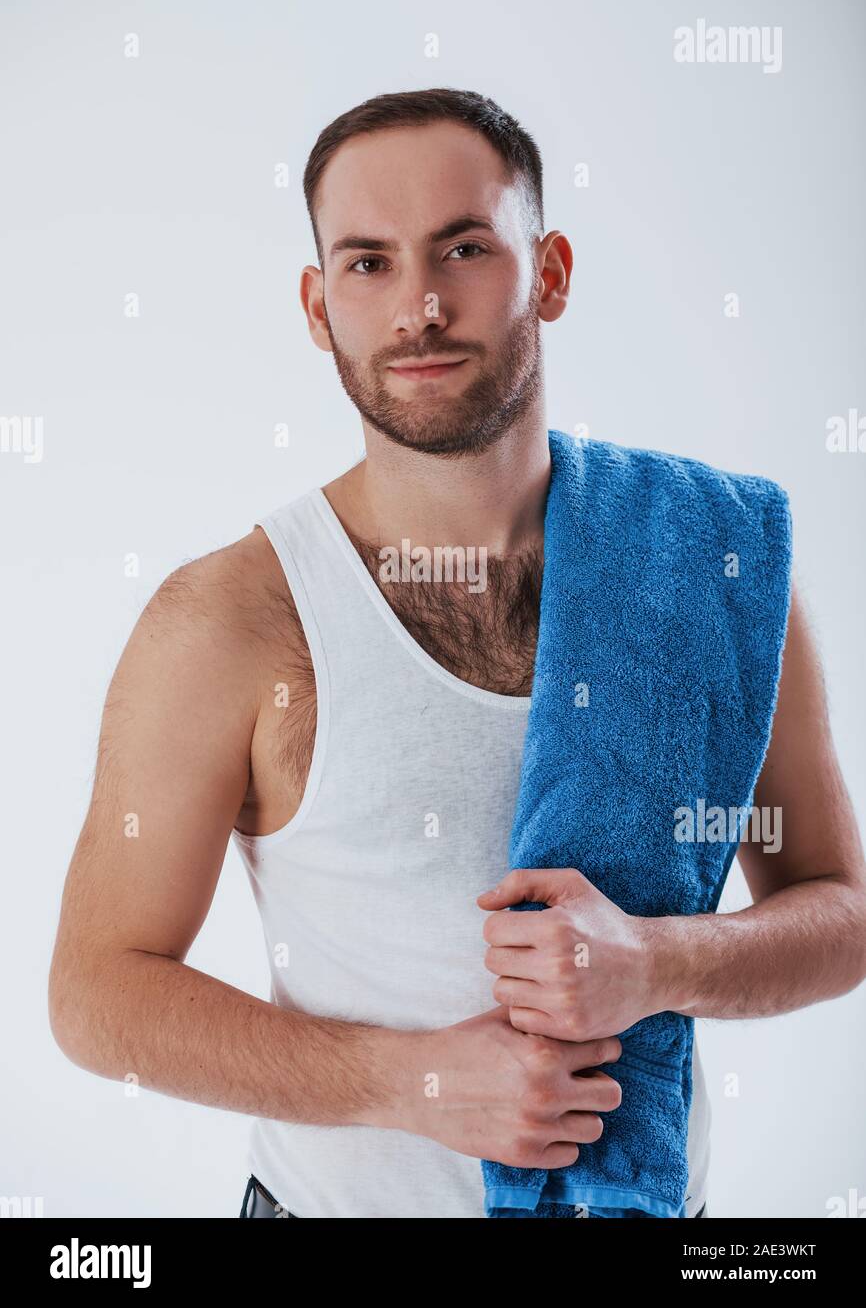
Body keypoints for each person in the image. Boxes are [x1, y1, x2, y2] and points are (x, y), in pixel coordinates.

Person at [48, 89, 866, 1219]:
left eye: (465, 248)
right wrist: (418, 1085)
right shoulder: (231, 621)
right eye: (368, 264)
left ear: (551, 272)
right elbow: (97, 993)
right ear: (315, 302)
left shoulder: (714, 561)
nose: (418, 306)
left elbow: (839, 908)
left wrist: (653, 961)